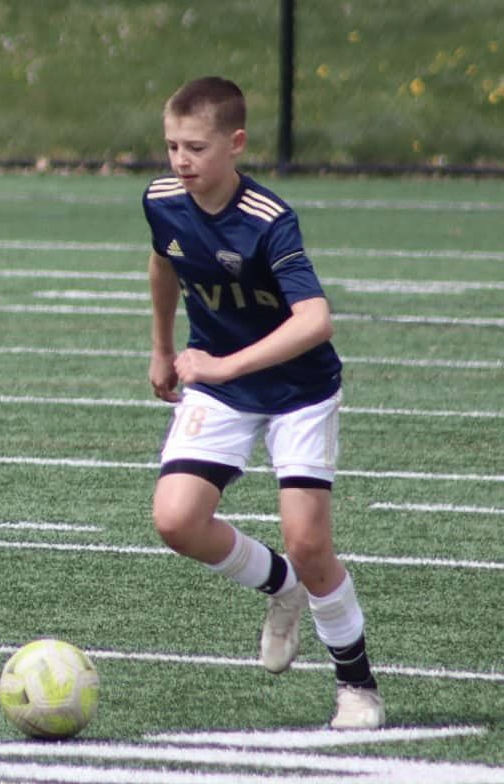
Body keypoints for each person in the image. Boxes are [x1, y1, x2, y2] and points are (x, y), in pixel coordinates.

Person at [142, 76, 384, 729]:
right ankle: (281, 587)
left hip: (298, 390)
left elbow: (314, 320)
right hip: (221, 386)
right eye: (170, 146)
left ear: (235, 144)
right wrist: (162, 349)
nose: (180, 161)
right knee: (175, 521)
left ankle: (356, 687)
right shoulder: (161, 200)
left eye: (194, 147)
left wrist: (221, 363)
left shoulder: (268, 220)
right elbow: (163, 262)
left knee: (309, 542)